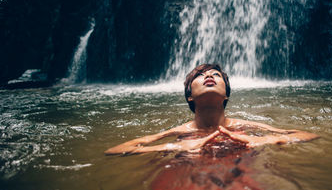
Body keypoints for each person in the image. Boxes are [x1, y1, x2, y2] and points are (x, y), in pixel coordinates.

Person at [104, 64, 319, 155]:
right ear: (189, 95)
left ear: (226, 94)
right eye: (200, 75)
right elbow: (113, 150)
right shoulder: (179, 132)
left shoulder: (245, 126)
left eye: (216, 75)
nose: (209, 76)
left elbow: (309, 135)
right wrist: (174, 147)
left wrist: (262, 141)